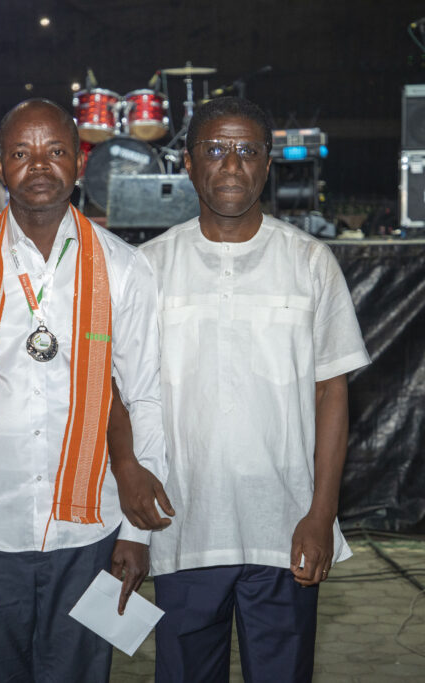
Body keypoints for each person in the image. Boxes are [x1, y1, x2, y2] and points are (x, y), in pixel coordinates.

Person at [0, 98, 166, 682]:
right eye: (22, 152)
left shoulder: (124, 268)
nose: (40, 165)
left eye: (56, 150)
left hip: (93, 532)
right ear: (0, 166)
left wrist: (137, 533)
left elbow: (144, 397)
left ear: (80, 163)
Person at [109, 96, 371, 682]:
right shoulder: (147, 267)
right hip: (181, 529)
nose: (232, 165)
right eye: (215, 150)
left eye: (248, 151)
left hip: (286, 530)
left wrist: (322, 514)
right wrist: (129, 494)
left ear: (268, 163)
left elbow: (332, 394)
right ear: (187, 162)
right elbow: (121, 392)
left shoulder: (310, 261)